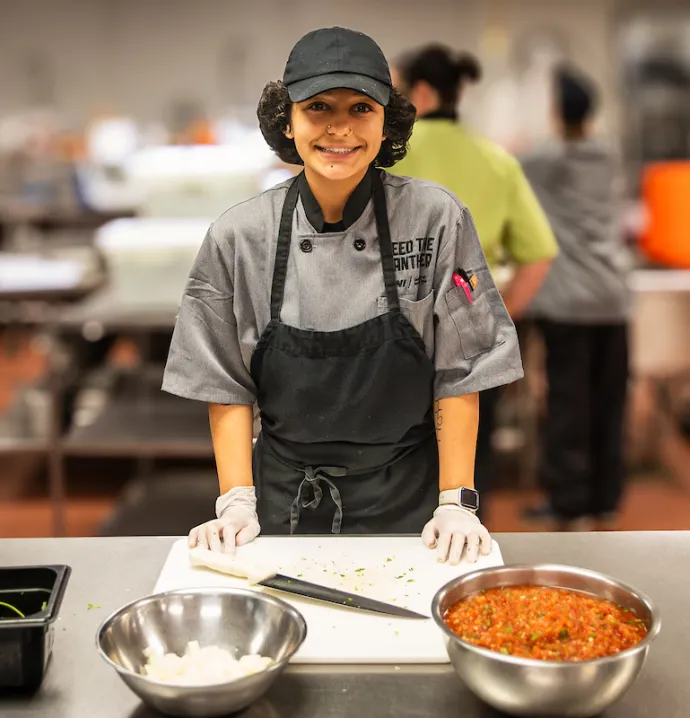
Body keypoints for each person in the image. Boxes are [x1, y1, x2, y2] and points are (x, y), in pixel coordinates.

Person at [162, 27, 523, 564]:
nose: (339, 128)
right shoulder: (239, 237)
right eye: (317, 107)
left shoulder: (435, 218)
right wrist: (237, 500)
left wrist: (457, 501)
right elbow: (225, 381)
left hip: (415, 508)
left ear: (387, 121)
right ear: (288, 120)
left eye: (360, 108)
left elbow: (462, 368)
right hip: (281, 506)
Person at [390, 45, 558, 519]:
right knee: (471, 457)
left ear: (420, 92)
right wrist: (500, 318)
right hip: (473, 324)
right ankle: (465, 555)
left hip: (395, 332)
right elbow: (539, 255)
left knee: (396, 455)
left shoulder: (387, 155)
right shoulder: (497, 160)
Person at [519, 65, 631, 531]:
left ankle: (568, 501)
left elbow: (508, 167)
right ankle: (605, 497)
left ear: (555, 111)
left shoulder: (546, 160)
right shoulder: (609, 155)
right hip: (613, 298)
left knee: (567, 403)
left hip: (567, 301)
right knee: (609, 399)